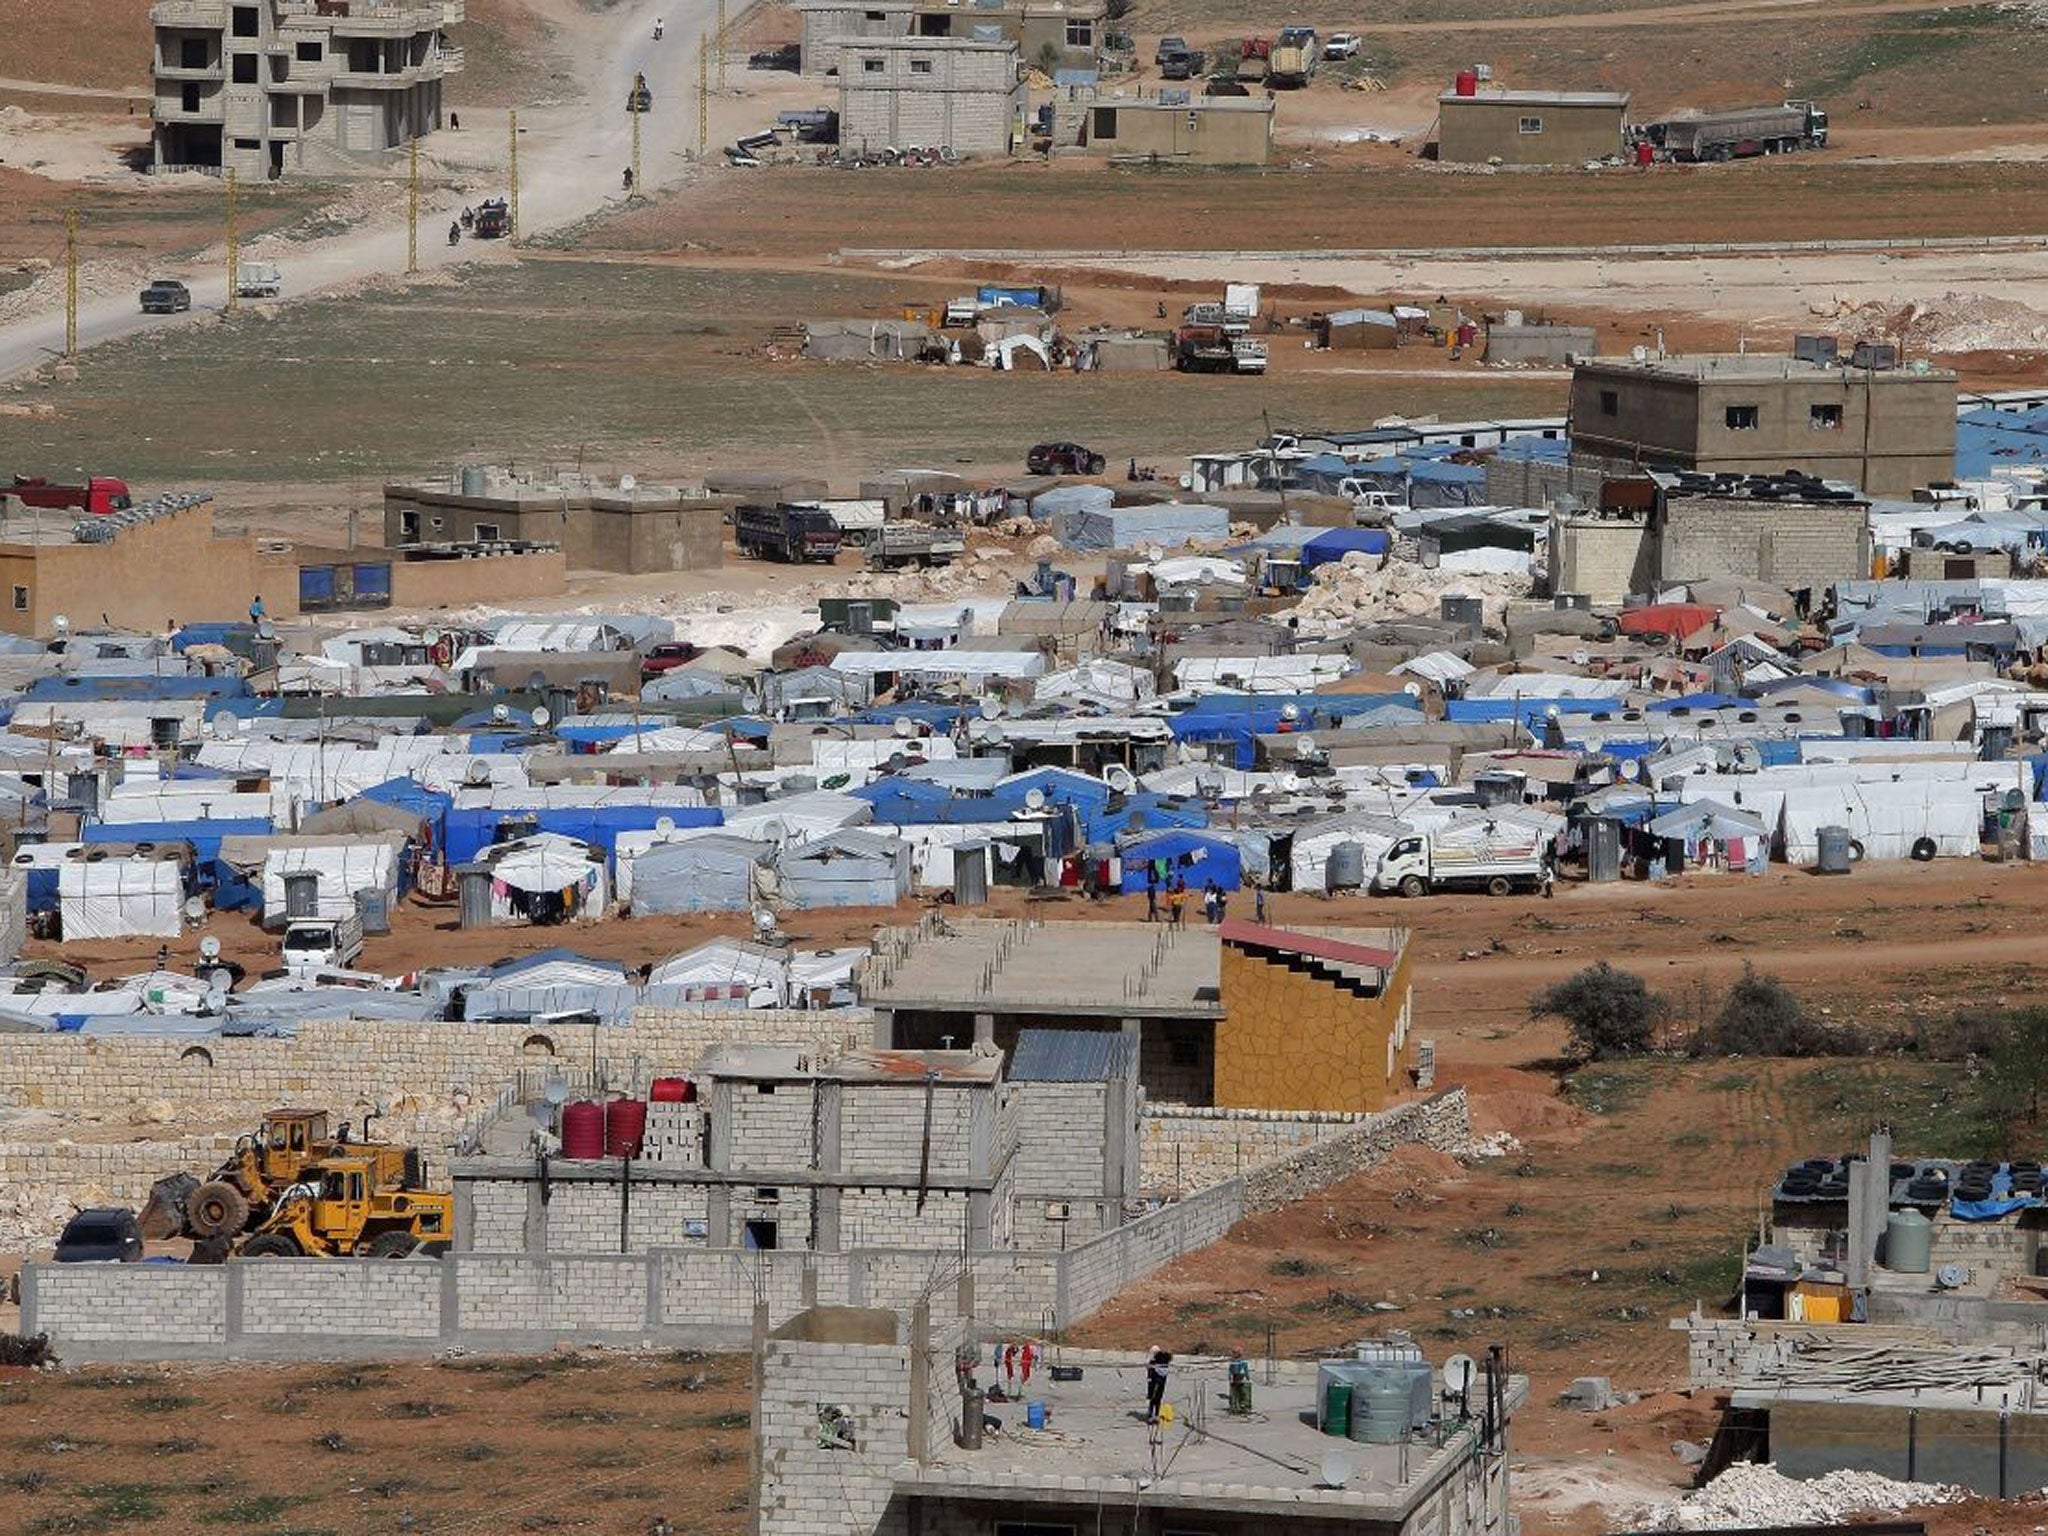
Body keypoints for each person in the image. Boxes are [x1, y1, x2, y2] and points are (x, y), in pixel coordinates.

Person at [1144, 1346, 1171, 1424]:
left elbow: (1149, 1370)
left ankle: (1151, 1416)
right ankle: (1156, 1415)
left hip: (1154, 1382)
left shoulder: (1154, 1363)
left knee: (1153, 1399)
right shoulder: (1165, 1363)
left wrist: (1149, 1377)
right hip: (1161, 1383)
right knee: (1158, 1399)